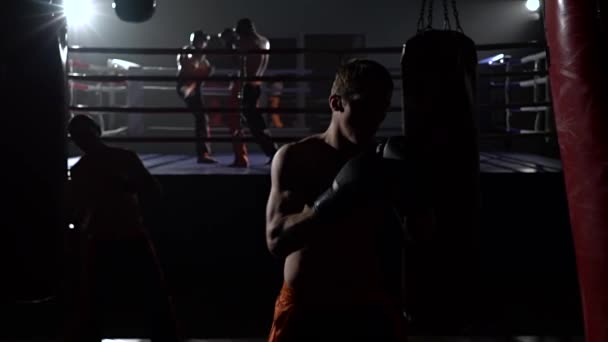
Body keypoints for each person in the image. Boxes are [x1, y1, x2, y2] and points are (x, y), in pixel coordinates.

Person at [265, 59, 408, 341]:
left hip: (368, 306)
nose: (376, 117)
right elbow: (276, 240)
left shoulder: (384, 162)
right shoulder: (296, 158)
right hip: (306, 307)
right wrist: (331, 199)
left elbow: (420, 234)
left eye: (382, 107)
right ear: (336, 103)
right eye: (366, 105)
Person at [65, 115, 180, 342]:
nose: (82, 139)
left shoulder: (83, 169)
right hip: (125, 234)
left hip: (105, 237)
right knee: (151, 295)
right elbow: (154, 191)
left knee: (95, 301)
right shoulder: (123, 159)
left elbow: (76, 210)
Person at [232, 18, 278, 167]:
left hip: (248, 87)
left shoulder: (246, 43)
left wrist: (231, 44)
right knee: (256, 122)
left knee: (250, 123)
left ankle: (272, 152)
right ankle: (272, 152)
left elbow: (241, 62)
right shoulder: (265, 41)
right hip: (257, 86)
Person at [176, 29, 217, 163]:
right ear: (200, 41)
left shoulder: (197, 54)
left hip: (192, 87)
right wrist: (204, 71)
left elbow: (205, 69)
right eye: (204, 41)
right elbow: (190, 68)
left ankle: (204, 153)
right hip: (189, 87)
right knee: (201, 119)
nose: (206, 44)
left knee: (202, 119)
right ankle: (203, 154)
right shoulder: (190, 52)